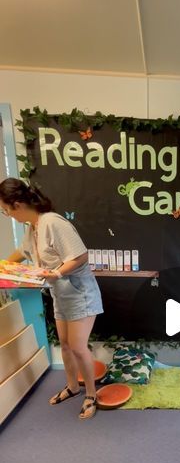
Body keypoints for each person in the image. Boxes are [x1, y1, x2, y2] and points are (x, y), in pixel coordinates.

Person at [0, 177, 103, 420]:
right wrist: (4, 265)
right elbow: (22, 252)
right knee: (65, 345)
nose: (7, 214)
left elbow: (80, 256)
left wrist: (56, 272)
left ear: (17, 204)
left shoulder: (53, 222)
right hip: (61, 294)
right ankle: (72, 386)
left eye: (5, 210)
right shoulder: (32, 227)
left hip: (80, 294)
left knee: (78, 347)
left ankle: (91, 395)